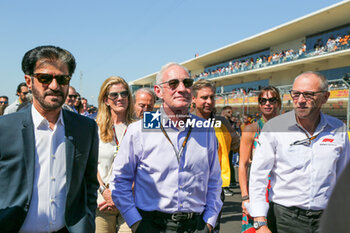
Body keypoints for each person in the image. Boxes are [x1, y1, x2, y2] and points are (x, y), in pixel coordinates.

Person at [110, 62, 223, 233]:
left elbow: (214, 181)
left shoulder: (205, 129)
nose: (181, 88)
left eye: (186, 83)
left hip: (196, 226)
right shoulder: (138, 130)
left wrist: (209, 222)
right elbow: (119, 180)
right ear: (158, 91)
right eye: (173, 84)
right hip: (152, 225)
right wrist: (136, 223)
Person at [0, 45, 99, 233]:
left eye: (62, 79)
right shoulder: (4, 129)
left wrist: (87, 222)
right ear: (29, 81)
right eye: (45, 78)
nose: (55, 86)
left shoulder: (85, 129)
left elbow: (89, 184)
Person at [248, 71, 350, 233]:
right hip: (285, 219)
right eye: (296, 94)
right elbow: (258, 176)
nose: (301, 101)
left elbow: (343, 178)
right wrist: (260, 222)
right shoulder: (274, 128)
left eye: (308, 95)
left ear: (325, 97)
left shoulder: (339, 129)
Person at [192, 79, 240, 233]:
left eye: (212, 97)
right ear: (193, 99)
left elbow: (237, 145)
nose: (209, 101)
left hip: (215, 187)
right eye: (204, 97)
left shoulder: (221, 122)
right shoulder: (184, 122)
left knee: (213, 228)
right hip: (191, 187)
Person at [238, 86, 281, 233]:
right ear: (259, 104)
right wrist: (245, 198)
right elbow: (242, 165)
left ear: (278, 103)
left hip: (281, 194)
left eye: (272, 100)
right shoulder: (251, 130)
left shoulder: (287, 129)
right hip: (258, 193)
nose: (267, 103)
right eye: (263, 100)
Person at [95, 76, 134, 233]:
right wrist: (104, 191)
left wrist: (120, 194)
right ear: (105, 100)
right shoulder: (93, 127)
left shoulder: (139, 127)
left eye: (124, 94)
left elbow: (146, 166)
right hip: (102, 202)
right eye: (114, 95)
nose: (120, 98)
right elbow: (90, 165)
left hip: (131, 201)